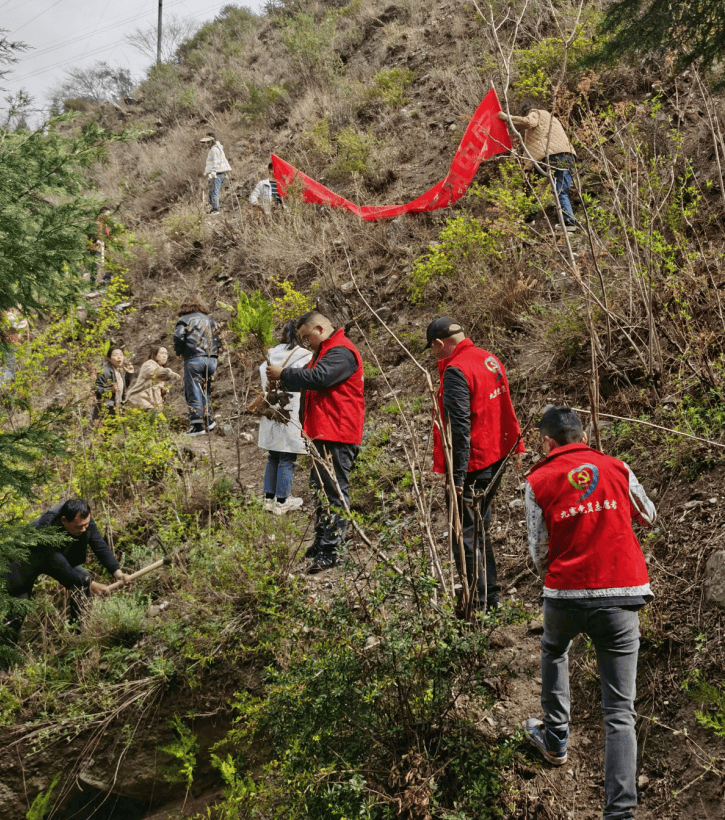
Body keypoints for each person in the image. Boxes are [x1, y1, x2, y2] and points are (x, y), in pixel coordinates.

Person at [524, 407, 656, 820]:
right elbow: (649, 515)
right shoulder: (615, 466)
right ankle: (620, 812)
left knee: (554, 649)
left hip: (565, 593)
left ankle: (555, 738)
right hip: (621, 592)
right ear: (582, 434)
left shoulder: (537, 480)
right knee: (619, 712)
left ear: (547, 442)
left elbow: (535, 550)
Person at [427, 317, 525, 610]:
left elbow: (460, 430)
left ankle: (481, 601)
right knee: (480, 529)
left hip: (474, 463)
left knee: (467, 533)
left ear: (439, 344)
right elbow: (505, 406)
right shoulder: (488, 358)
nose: (434, 357)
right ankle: (488, 596)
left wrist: (456, 479)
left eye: (433, 350)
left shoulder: (457, 370)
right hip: (496, 455)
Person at [267, 310, 364, 573]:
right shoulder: (327, 351)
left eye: (306, 336)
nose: (305, 342)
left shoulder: (341, 351)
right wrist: (282, 379)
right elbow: (312, 382)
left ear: (319, 329)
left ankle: (332, 551)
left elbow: (318, 378)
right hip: (323, 432)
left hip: (337, 432)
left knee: (333, 492)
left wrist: (283, 373)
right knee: (320, 489)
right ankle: (323, 542)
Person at [3, 499, 132, 646]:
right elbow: (61, 568)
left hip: (56, 556)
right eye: (79, 527)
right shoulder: (45, 530)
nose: (84, 529)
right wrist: (93, 585)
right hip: (23, 562)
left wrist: (118, 573)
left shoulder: (84, 521)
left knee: (83, 581)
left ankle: (79, 635)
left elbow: (100, 547)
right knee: (19, 608)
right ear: (64, 520)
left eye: (86, 525)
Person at [258, 321, 312, 514]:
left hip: (272, 409)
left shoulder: (270, 355)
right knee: (288, 456)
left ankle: (268, 499)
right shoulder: (304, 356)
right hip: (291, 411)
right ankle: (282, 501)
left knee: (273, 455)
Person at [498, 102, 578, 231]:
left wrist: (507, 117)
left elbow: (529, 122)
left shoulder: (537, 113)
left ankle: (529, 219)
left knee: (531, 186)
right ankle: (569, 224)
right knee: (561, 190)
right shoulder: (553, 119)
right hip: (568, 156)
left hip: (548, 155)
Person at [173, 297, 221, 436]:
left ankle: (197, 425)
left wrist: (180, 352)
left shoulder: (184, 319)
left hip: (194, 358)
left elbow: (179, 337)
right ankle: (209, 419)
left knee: (193, 388)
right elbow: (218, 338)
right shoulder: (210, 320)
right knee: (205, 389)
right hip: (211, 359)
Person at [125, 345, 181, 413]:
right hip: (140, 399)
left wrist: (163, 392)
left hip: (150, 404)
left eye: (166, 353)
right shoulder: (149, 364)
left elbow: (155, 388)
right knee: (155, 417)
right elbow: (152, 374)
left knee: (156, 419)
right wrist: (169, 372)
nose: (164, 356)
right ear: (154, 355)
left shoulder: (161, 369)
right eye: (162, 353)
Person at [93, 345, 134, 421]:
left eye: (121, 355)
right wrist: (110, 390)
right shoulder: (105, 372)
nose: (119, 357)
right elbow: (96, 389)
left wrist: (129, 374)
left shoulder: (120, 372)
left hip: (117, 408)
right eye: (115, 355)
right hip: (106, 410)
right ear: (109, 358)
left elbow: (124, 388)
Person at [201, 132, 231, 215]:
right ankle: (214, 208)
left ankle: (216, 209)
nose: (206, 144)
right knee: (212, 191)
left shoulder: (215, 149)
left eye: (207, 142)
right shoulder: (215, 148)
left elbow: (216, 162)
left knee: (214, 191)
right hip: (217, 173)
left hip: (217, 173)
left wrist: (213, 172)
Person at [1, 306, 29, 386]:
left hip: (9, 346)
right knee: (8, 367)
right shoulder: (9, 317)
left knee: (9, 366)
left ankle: (4, 387)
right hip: (7, 346)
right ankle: (4, 387)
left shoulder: (8, 316)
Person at [88, 206, 112, 285]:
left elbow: (106, 234)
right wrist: (97, 240)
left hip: (104, 246)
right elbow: (90, 233)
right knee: (95, 266)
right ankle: (92, 286)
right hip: (95, 246)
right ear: (102, 214)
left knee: (110, 263)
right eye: (107, 214)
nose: (109, 216)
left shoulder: (106, 223)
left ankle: (106, 281)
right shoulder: (95, 222)